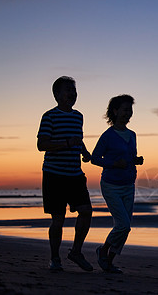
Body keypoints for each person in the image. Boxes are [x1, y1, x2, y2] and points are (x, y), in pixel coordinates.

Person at [37, 76, 93, 272]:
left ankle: (76, 252)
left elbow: (77, 139)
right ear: (57, 95)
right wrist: (66, 143)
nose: (72, 94)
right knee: (58, 219)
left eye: (74, 91)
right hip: (54, 175)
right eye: (68, 90)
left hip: (75, 174)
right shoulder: (49, 116)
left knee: (86, 211)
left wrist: (84, 151)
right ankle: (54, 258)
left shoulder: (79, 116)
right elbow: (41, 144)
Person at [91, 95, 144, 273]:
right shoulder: (108, 136)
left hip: (129, 184)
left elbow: (128, 157)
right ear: (115, 111)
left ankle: (109, 262)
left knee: (125, 228)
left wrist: (136, 160)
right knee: (123, 225)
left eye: (130, 110)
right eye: (125, 109)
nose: (128, 113)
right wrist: (114, 164)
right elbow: (95, 158)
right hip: (111, 185)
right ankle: (103, 250)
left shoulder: (132, 135)